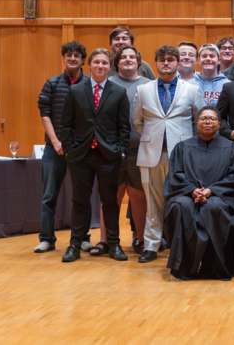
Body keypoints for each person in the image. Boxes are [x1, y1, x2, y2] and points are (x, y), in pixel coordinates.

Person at [58, 48, 130, 263]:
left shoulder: (119, 92)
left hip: (108, 155)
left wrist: (119, 149)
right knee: (80, 200)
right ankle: (75, 245)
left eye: (104, 63)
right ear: (89, 65)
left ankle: (114, 244)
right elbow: (65, 124)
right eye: (97, 62)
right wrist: (70, 149)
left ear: (110, 67)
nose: (100, 66)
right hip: (81, 155)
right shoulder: (75, 91)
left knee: (110, 201)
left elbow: (124, 127)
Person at [133, 45, 199, 263]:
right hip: (151, 152)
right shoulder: (143, 89)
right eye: (162, 59)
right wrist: (153, 136)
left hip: (182, 155)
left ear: (178, 62)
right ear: (156, 63)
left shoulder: (192, 89)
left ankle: (181, 243)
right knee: (153, 202)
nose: (166, 63)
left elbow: (198, 119)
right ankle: (151, 245)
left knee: (182, 199)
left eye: (170, 59)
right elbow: (137, 121)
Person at [163, 107, 234, 280]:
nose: (208, 121)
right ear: (196, 123)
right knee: (181, 206)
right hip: (187, 194)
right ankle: (184, 267)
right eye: (203, 118)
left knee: (213, 207)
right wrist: (192, 190)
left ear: (219, 123)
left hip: (220, 196)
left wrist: (211, 191)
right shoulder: (182, 148)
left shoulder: (232, 148)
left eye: (212, 119)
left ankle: (215, 267)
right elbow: (175, 175)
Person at [92, 46, 149, 256]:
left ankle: (141, 239)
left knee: (138, 195)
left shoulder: (148, 85)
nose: (127, 60)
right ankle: (105, 240)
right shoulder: (108, 83)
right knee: (110, 196)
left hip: (139, 148)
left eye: (132, 57)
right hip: (111, 149)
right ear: (116, 62)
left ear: (138, 61)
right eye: (123, 57)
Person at [35, 41, 91, 253]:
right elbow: (45, 114)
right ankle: (46, 238)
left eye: (77, 55)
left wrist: (80, 144)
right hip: (54, 148)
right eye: (69, 55)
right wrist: (56, 141)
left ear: (82, 60)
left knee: (82, 195)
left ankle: (82, 237)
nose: (72, 58)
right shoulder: (51, 83)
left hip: (81, 149)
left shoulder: (89, 84)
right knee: (49, 195)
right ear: (64, 58)